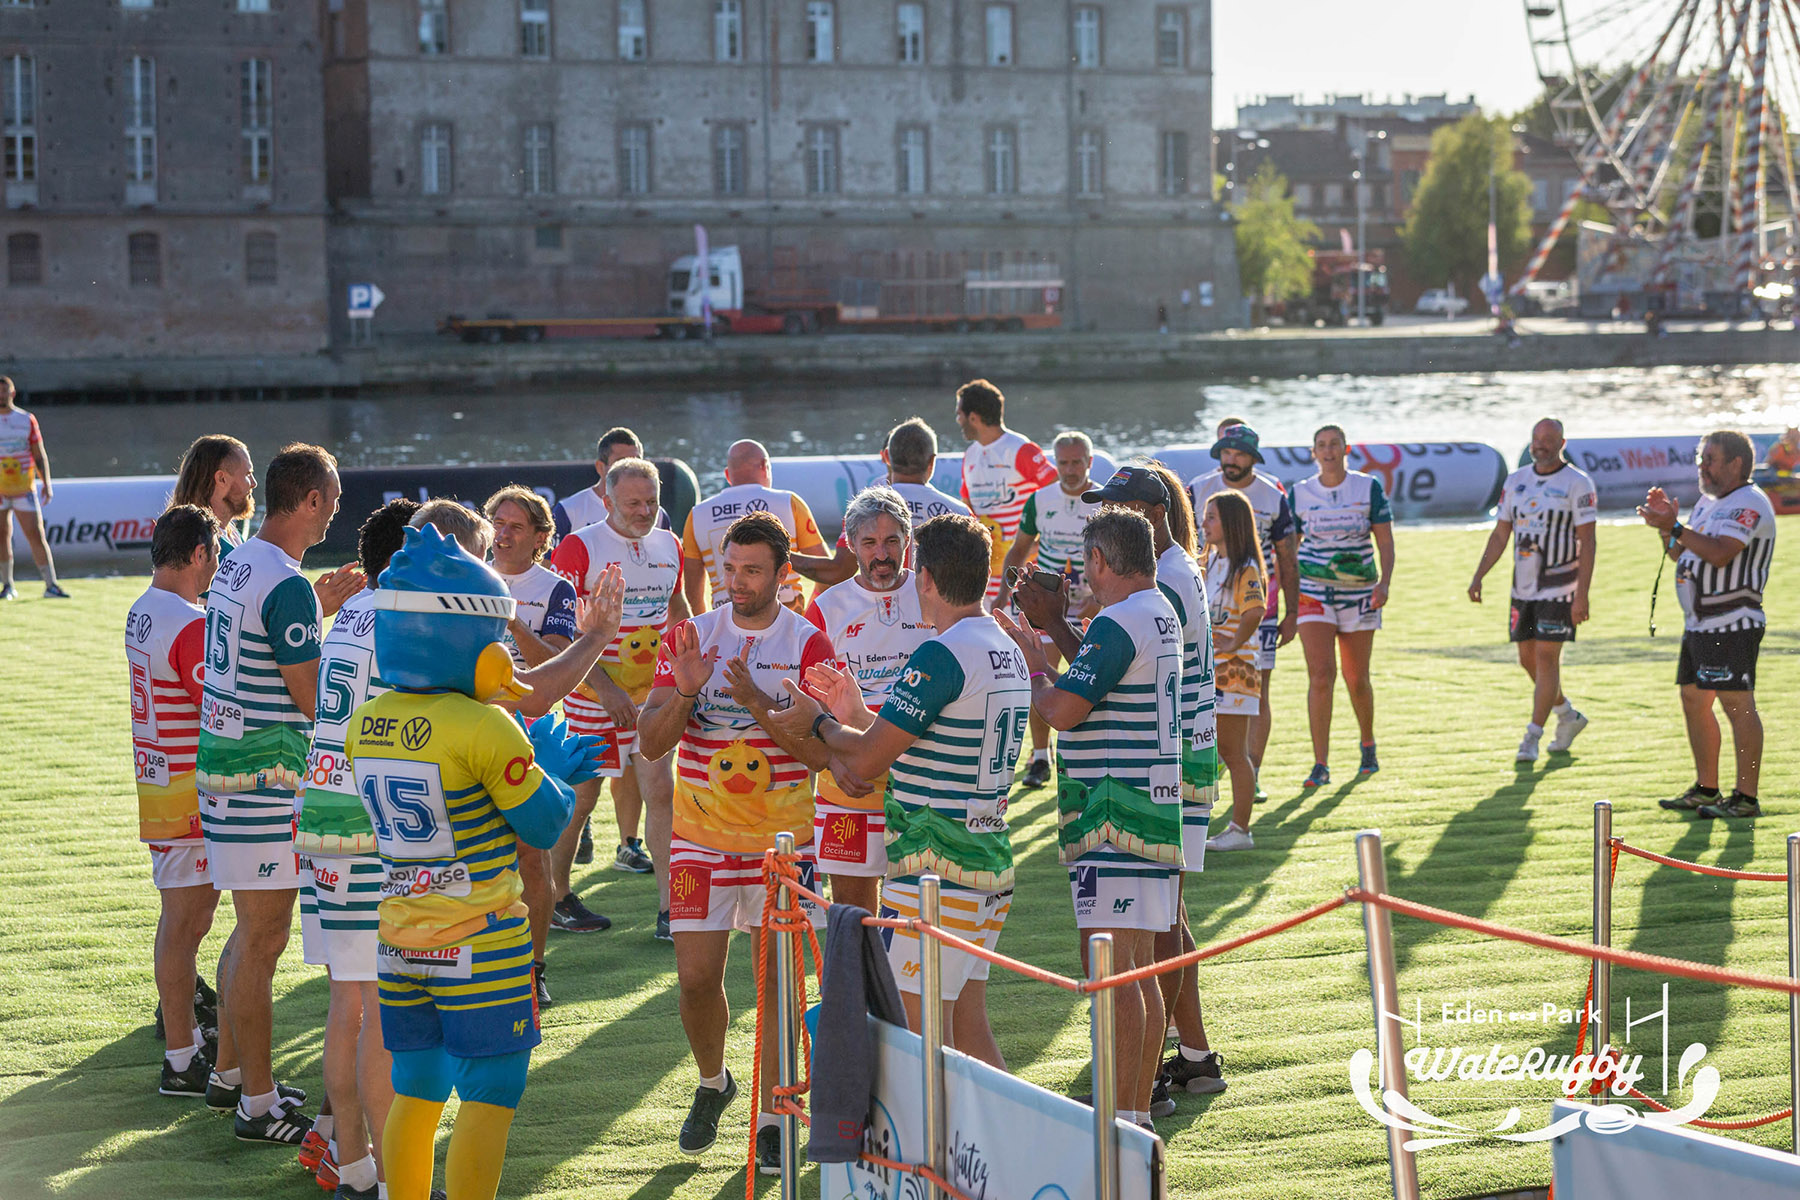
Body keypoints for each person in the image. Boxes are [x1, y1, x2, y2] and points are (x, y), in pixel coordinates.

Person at [344, 524, 607, 1200]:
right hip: (477, 941)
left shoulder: (365, 721)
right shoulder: (486, 726)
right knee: (492, 1091)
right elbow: (546, 823)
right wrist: (544, 764)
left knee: (417, 1091)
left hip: (400, 940)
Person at [771, 513, 1026, 1072]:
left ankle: (913, 1158)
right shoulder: (1002, 645)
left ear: (925, 577)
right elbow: (919, 741)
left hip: (938, 866)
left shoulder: (941, 654)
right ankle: (998, 1155)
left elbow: (866, 758)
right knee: (965, 1031)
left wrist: (818, 723)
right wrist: (856, 712)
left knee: (908, 1040)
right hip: (986, 856)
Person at [635, 511, 833, 1175]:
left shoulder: (809, 643)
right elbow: (651, 743)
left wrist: (756, 706)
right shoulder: (691, 635)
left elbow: (818, 758)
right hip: (698, 840)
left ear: (783, 573)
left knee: (778, 983)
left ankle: (776, 1117)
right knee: (695, 980)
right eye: (730, 569)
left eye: (752, 570)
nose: (737, 582)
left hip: (785, 844)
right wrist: (686, 694)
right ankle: (714, 1081)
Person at [996, 508, 1186, 1135]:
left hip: (1112, 811)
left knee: (1115, 970)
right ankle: (1133, 1110)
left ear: (1101, 561)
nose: (1080, 578)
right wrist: (1048, 637)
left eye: (1085, 565)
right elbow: (1100, 684)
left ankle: (1125, 1115)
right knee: (1137, 968)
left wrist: (1030, 667)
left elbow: (1061, 711)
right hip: (1153, 808)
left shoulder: (1118, 621)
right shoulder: (1156, 610)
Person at [198, 443, 345, 1145]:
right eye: (334, 498)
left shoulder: (240, 562)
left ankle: (230, 1074)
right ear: (311, 500)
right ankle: (258, 1103)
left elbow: (260, 645)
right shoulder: (284, 581)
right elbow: (312, 696)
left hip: (226, 768)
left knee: (248, 933)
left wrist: (315, 613)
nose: (336, 512)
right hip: (263, 780)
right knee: (264, 938)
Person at [292, 498, 417, 1198]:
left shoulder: (356, 611)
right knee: (382, 1008)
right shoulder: (402, 619)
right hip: (370, 821)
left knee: (349, 1000)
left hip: (324, 807)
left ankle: (352, 1164)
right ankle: (394, 1178)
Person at [549, 458, 689, 940]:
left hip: (651, 697)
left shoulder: (670, 543)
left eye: (652, 501)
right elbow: (561, 634)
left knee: (661, 791)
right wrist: (605, 690)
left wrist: (690, 661)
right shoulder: (578, 546)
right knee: (581, 797)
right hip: (592, 697)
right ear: (606, 501)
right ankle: (557, 896)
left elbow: (679, 610)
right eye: (633, 502)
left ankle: (671, 911)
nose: (645, 510)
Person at [799, 487, 932, 915]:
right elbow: (808, 705)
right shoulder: (827, 608)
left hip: (922, 782)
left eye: (892, 541)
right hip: (850, 785)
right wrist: (834, 762)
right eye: (870, 543)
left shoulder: (935, 592)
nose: (882, 555)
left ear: (908, 543)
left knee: (919, 916)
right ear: (850, 544)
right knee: (854, 917)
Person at [129, 505, 224, 1099]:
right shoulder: (189, 625)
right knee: (186, 924)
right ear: (197, 555)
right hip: (189, 792)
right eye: (215, 554)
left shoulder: (144, 609)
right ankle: (183, 1057)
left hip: (160, 781)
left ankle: (184, 1048)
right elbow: (217, 698)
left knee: (185, 921)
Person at [1640, 430, 1777, 819]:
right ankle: (1706, 788)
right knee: (1693, 699)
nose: (1701, 466)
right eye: (1701, 459)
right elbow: (1679, 553)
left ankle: (1746, 797)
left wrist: (1678, 528)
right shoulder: (1707, 502)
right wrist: (1665, 526)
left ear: (1735, 464)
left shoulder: (1749, 502)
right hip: (1701, 623)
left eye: (1710, 459)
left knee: (1737, 704)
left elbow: (1719, 554)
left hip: (1732, 621)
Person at [485, 486, 578, 995]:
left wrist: (510, 617)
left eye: (516, 526)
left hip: (532, 730)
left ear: (541, 537)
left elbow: (556, 667)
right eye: (498, 522)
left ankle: (533, 967)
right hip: (474, 728)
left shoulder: (555, 588)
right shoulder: (470, 573)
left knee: (529, 853)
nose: (502, 533)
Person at [1467, 418, 1597, 762]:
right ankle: (1567, 715)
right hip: (1523, 587)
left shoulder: (1577, 483)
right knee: (1527, 658)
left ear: (1561, 443)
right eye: (1536, 439)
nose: (1540, 445)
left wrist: (1582, 594)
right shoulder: (1516, 481)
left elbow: (1588, 541)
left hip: (1560, 586)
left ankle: (1532, 736)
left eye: (1548, 440)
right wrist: (1479, 574)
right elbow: (1500, 534)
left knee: (1545, 657)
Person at [1189, 421, 1297, 802]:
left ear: (1253, 457)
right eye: (1226, 452)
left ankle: (1252, 772)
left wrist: (1293, 612)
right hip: (1209, 609)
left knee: (1256, 696)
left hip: (1257, 611)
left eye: (1239, 454)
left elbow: (1288, 555)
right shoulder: (1198, 488)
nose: (1231, 460)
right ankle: (1228, 774)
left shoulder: (1272, 494)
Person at [1289, 425, 1394, 787]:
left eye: (1335, 444)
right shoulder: (1300, 492)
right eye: (1322, 445)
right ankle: (1321, 763)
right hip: (1313, 592)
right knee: (1321, 675)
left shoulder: (1368, 487)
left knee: (1356, 678)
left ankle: (1368, 745)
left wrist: (1385, 583)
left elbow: (1385, 541)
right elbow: (1290, 548)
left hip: (1361, 593)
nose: (1329, 451)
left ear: (1346, 449)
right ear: (1313, 452)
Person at [1000, 431, 1101, 789]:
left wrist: (1101, 598)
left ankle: (1085, 752)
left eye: (1077, 462)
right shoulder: (1040, 500)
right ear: (1054, 463)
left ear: (1090, 462)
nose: (1070, 470)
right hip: (1046, 603)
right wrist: (1004, 594)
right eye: (1063, 463)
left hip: (1091, 604)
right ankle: (1040, 756)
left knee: (1091, 679)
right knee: (1039, 674)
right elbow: (1018, 550)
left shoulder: (1103, 503)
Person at [798, 416, 972, 587]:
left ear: (887, 456)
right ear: (932, 461)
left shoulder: (862, 508)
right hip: (939, 613)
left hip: (882, 612)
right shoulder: (961, 514)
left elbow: (839, 571)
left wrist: (783, 555)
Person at [682, 439, 832, 615]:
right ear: (765, 466)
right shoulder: (789, 502)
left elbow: (692, 592)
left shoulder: (697, 514)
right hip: (786, 615)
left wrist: (706, 628)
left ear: (727, 475)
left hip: (727, 619)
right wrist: (808, 616)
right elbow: (826, 572)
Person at [1199, 491, 1268, 851]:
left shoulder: (1246, 568)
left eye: (1211, 517)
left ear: (1232, 523)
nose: (1204, 523)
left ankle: (1241, 830)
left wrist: (1233, 642)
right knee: (1216, 748)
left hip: (1236, 672)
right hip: (1212, 672)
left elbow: (1255, 611)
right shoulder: (1209, 562)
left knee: (1232, 751)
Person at [954, 378, 1059, 604]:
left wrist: (1039, 542)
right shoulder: (969, 455)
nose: (957, 420)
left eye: (959, 414)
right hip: (987, 571)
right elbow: (968, 509)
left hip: (1025, 570)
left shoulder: (1020, 449)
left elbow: (1058, 491)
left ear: (973, 418)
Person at [0, 376, 67, 599]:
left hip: (24, 489)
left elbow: (39, 455)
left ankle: (51, 585)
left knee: (36, 535)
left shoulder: (26, 419)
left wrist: (46, 483)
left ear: (12, 393)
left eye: (4, 391)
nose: (1, 395)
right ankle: (7, 585)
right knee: (2, 535)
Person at [552, 427, 672, 539]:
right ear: (600, 467)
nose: (630, 469)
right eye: (620, 462)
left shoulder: (658, 516)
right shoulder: (569, 511)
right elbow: (548, 561)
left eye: (636, 461)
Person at [170, 434, 257, 555]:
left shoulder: (231, 533)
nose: (254, 483)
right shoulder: (198, 544)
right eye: (248, 474)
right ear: (222, 479)